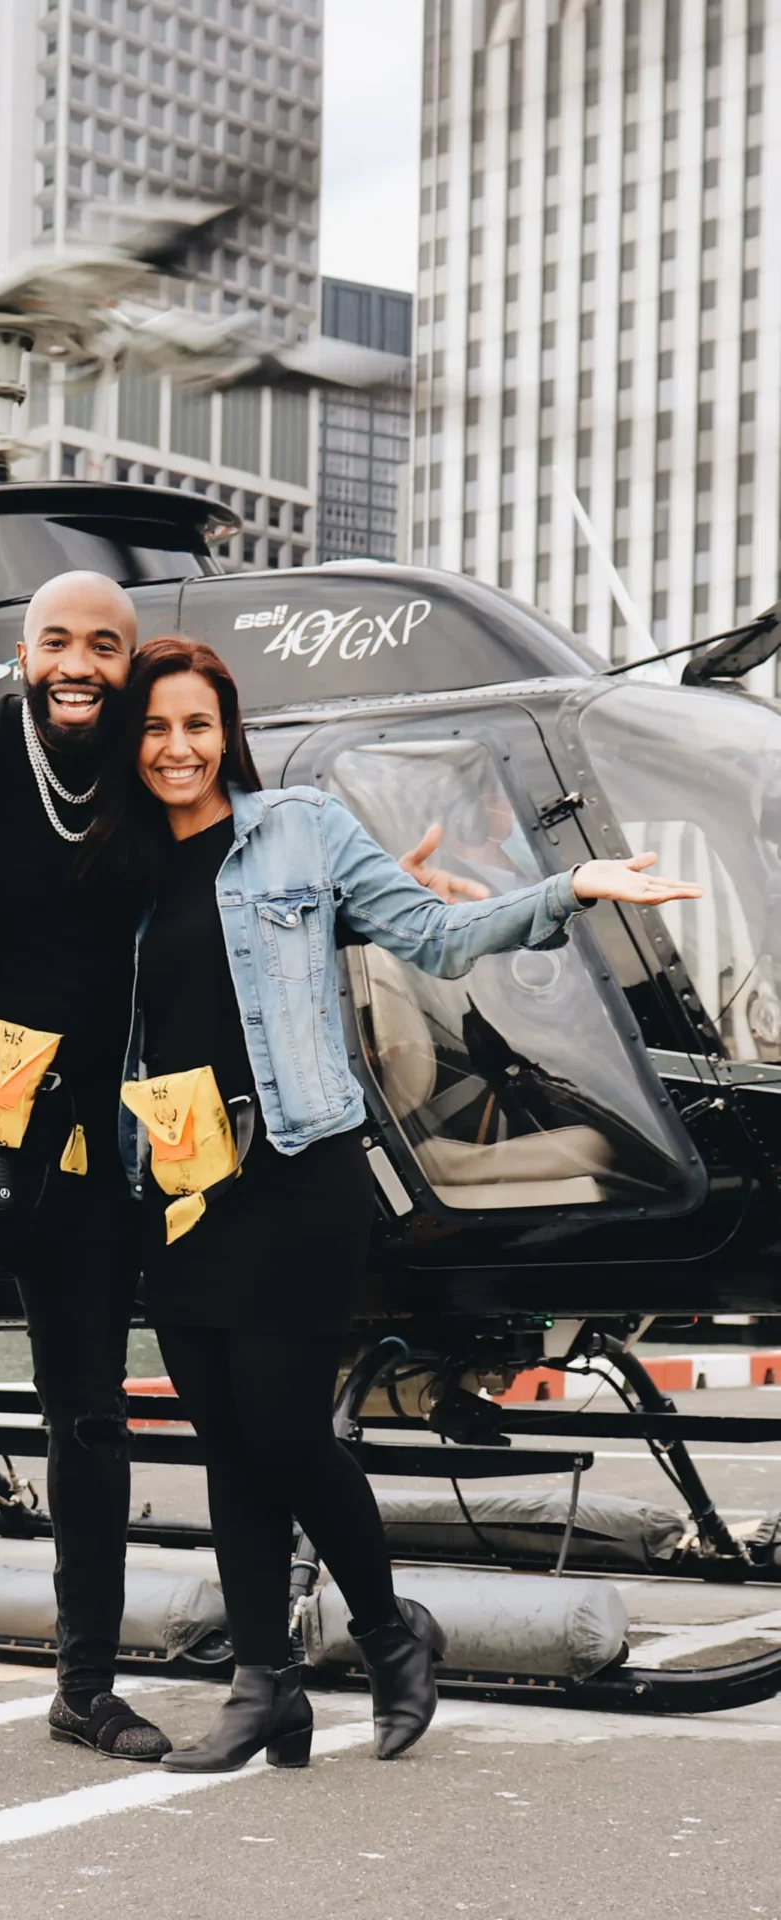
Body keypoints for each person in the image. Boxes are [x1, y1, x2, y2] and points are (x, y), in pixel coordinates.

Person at [0, 573, 470, 1797]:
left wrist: (372, 907)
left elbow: (239, 900)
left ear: (123, 662)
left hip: (94, 1155)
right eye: (55, 641)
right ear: (21, 651)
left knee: (91, 1423)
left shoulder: (134, 787)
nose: (78, 665)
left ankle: (85, 1687)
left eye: (100, 646)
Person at [85, 636, 703, 1776]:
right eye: (155, 729)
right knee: (226, 1446)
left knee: (279, 1427)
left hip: (293, 1168)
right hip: (177, 1184)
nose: (177, 748)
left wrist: (565, 888)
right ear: (131, 745)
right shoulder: (112, 869)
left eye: (197, 725)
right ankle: (264, 1686)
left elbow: (430, 933)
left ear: (227, 733)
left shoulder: (300, 830)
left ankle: (384, 1632)